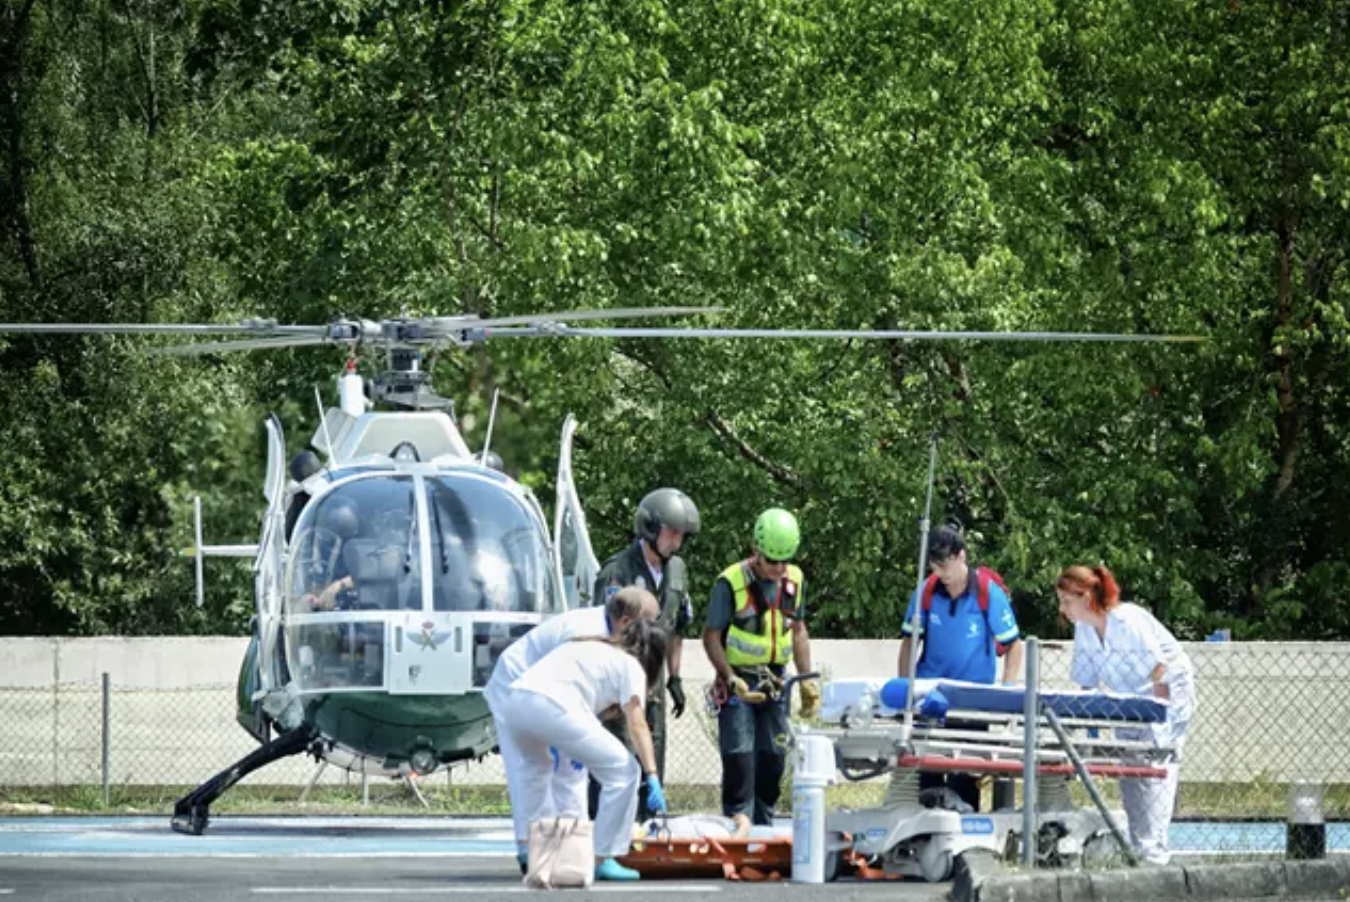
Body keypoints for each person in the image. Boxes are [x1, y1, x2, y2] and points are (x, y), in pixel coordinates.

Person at [484, 587, 660, 873]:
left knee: (536, 769)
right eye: (649, 622)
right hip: (529, 691)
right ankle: (597, 856)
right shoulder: (590, 633)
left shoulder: (598, 635)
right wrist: (651, 774)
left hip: (521, 696)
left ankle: (542, 852)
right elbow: (634, 720)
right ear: (627, 622)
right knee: (598, 772)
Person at [1056, 565, 1195, 866]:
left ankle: (1156, 850)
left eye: (1066, 601)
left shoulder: (1126, 620)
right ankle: (1138, 845)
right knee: (1131, 764)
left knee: (1157, 762)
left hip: (1167, 688)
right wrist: (1078, 728)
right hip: (1129, 696)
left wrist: (1159, 715)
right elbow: (1086, 683)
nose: (1061, 608)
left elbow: (1159, 669)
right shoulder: (1083, 627)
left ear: (1087, 597)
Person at [702, 507, 819, 827]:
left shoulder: (794, 581)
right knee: (739, 760)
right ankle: (736, 828)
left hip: (776, 683)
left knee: (773, 760)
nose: (780, 568)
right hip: (740, 681)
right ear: (755, 550)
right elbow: (711, 637)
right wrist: (729, 677)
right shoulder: (730, 583)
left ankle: (763, 829)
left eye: (785, 560)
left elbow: (798, 631)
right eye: (772, 561)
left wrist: (807, 681)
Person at [896, 526, 1024, 812]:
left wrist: (1006, 689)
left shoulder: (987, 594)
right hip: (932, 697)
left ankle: (964, 840)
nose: (941, 571)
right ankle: (924, 837)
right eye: (934, 564)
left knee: (965, 778)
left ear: (961, 556)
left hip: (972, 702)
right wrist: (906, 687)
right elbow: (908, 642)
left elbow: (1014, 644)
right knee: (927, 774)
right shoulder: (926, 593)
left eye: (945, 563)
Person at [590, 488, 699, 820]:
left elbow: (678, 626)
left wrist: (675, 677)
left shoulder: (676, 570)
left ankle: (647, 831)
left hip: (654, 682)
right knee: (618, 759)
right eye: (672, 532)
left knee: (653, 756)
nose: (676, 541)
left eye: (682, 534)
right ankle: (608, 834)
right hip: (619, 680)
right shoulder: (618, 571)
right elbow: (604, 631)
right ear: (651, 528)